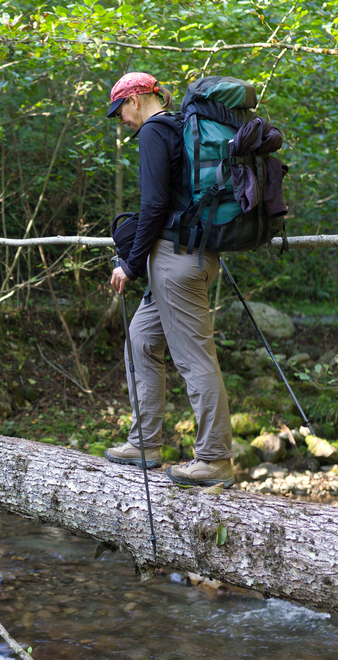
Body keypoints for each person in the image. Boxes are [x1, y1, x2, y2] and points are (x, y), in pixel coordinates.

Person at [103, 72, 235, 488]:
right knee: (141, 339)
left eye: (121, 108)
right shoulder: (180, 128)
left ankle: (215, 459)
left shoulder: (154, 132)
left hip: (174, 262)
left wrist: (130, 264)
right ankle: (145, 443)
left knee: (194, 358)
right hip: (187, 255)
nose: (121, 119)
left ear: (138, 98)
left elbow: (155, 203)